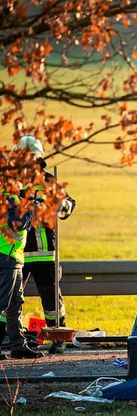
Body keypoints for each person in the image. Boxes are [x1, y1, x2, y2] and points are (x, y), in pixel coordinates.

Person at [10, 136, 77, 354]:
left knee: (51, 300)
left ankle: (58, 338)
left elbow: (69, 205)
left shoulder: (49, 182)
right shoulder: (11, 184)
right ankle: (10, 338)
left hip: (45, 252)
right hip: (17, 251)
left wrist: (60, 205)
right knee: (11, 299)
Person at [0, 189, 43, 359]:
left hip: (13, 257)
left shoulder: (13, 197)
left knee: (15, 303)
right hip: (6, 257)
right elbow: (16, 223)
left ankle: (18, 345)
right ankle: (17, 345)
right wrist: (32, 211)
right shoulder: (7, 197)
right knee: (3, 303)